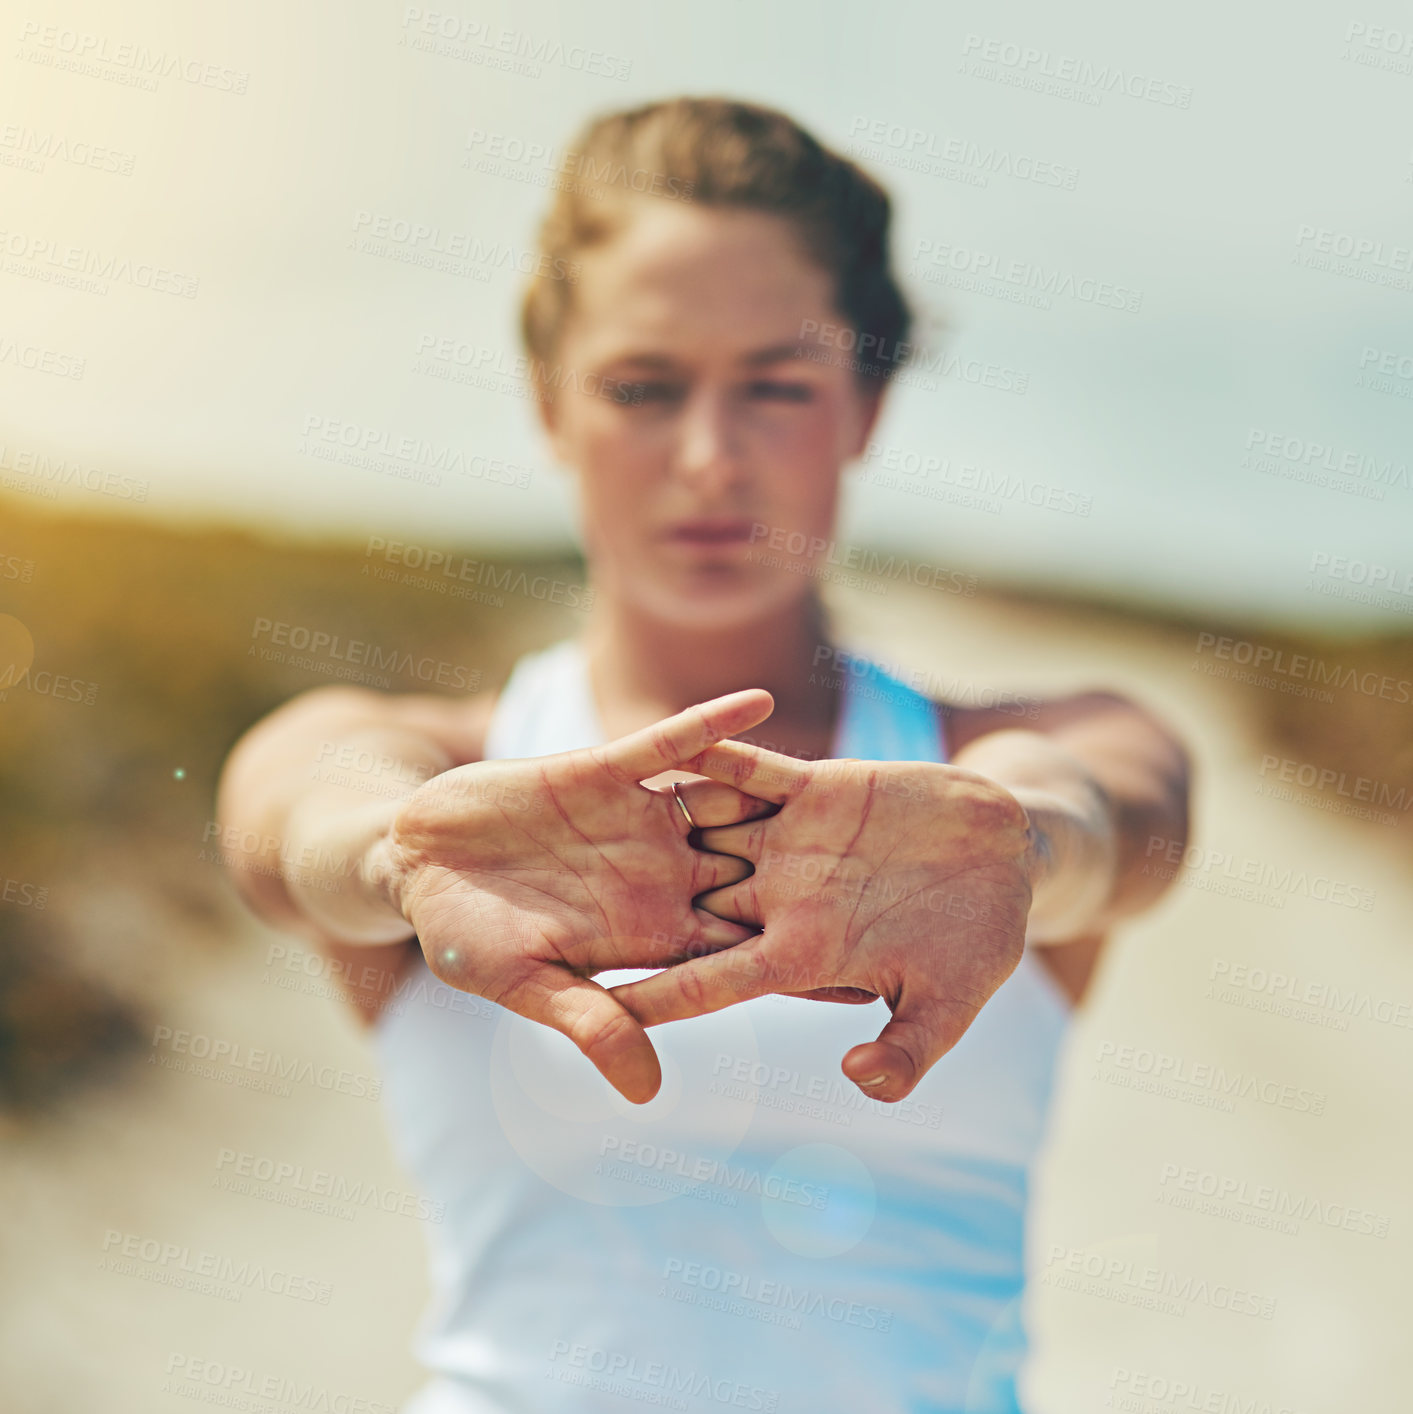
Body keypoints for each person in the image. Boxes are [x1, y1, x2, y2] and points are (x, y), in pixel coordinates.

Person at [216, 96, 1190, 1414]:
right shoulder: (454, 779)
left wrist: (1025, 844)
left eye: (777, 387)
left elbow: (1112, 816)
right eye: (642, 386)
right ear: (548, 401)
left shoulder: (993, 767)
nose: (707, 458)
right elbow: (299, 813)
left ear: (867, 403)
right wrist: (391, 853)